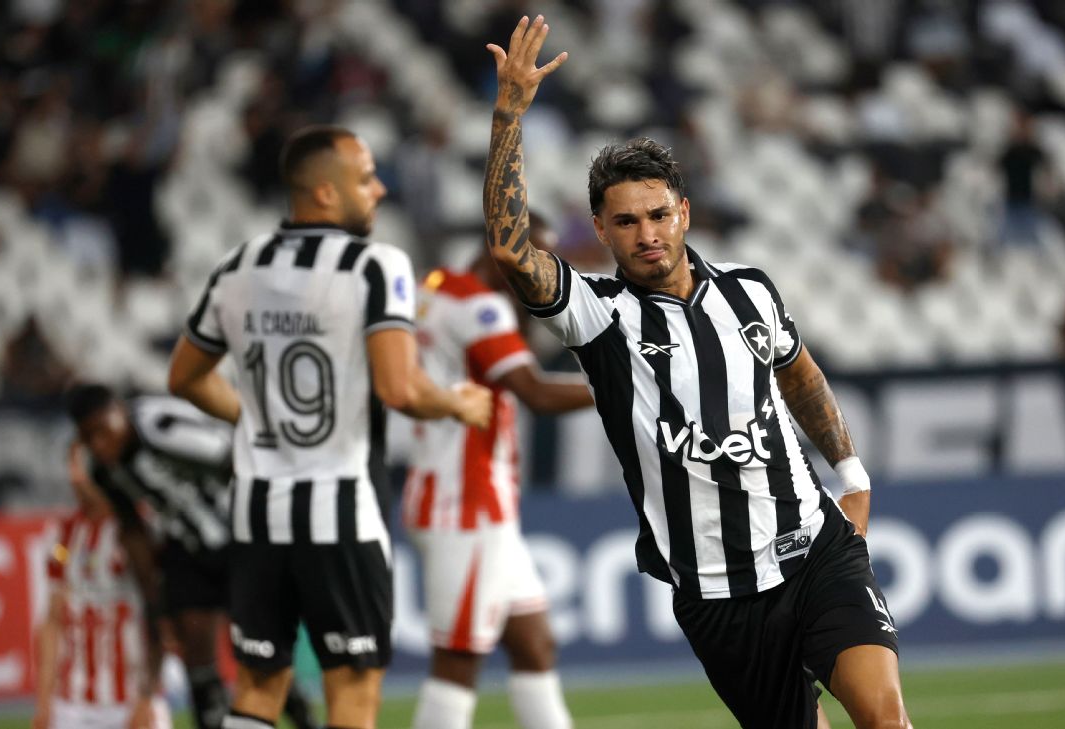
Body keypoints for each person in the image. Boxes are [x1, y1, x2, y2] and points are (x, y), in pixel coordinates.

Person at [480, 17, 912, 729]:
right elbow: (510, 250)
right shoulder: (597, 314)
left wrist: (853, 474)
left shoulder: (750, 291)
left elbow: (799, 374)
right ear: (600, 228)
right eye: (625, 222)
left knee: (885, 718)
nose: (647, 234)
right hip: (718, 595)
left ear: (684, 212)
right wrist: (509, 116)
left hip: (816, 552)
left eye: (658, 215)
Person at [166, 125, 493, 729]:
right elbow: (399, 388)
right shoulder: (374, 265)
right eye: (366, 179)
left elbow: (184, 377)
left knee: (257, 690)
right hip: (340, 511)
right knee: (353, 693)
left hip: (256, 513)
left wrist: (260, 418)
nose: (380, 189)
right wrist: (457, 404)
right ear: (323, 193)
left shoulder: (238, 265)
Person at [404, 212, 593, 729]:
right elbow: (534, 392)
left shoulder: (435, 287)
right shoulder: (481, 309)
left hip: (461, 495)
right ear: (502, 250)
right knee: (458, 661)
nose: (540, 275)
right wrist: (624, 384)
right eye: (533, 260)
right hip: (465, 506)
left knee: (534, 643)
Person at [62, 384, 319, 729]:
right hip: (187, 548)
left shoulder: (159, 426)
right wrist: (154, 600)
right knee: (197, 659)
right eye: (88, 438)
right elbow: (133, 529)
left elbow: (235, 456)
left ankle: (304, 719)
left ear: (119, 411)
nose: (98, 444)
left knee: (259, 650)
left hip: (238, 538)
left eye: (102, 431)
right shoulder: (105, 470)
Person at [33, 440, 172, 729]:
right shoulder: (63, 534)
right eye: (70, 465)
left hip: (132, 697)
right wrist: (45, 701)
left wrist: (146, 697)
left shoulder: (141, 529)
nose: (74, 477)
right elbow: (52, 621)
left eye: (80, 466)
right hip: (72, 704)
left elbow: (160, 616)